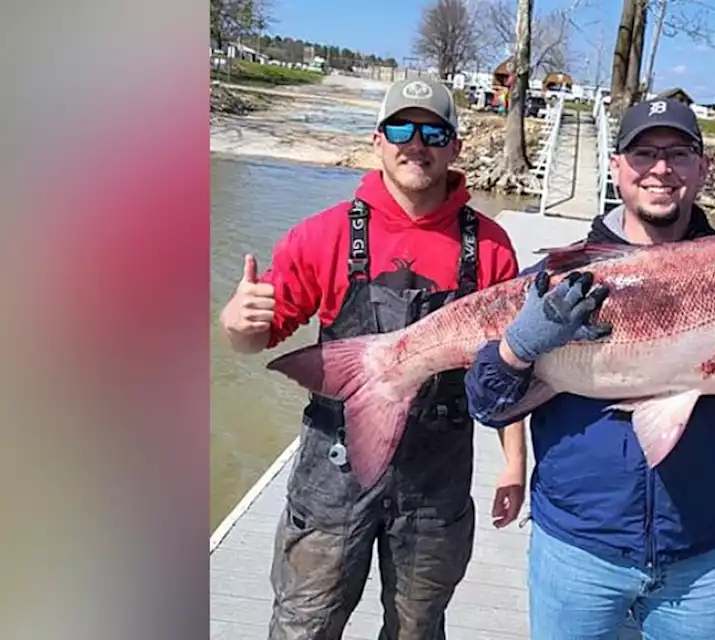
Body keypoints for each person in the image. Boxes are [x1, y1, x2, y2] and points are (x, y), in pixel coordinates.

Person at [462, 98, 715, 639]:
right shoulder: (561, 277)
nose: (660, 168)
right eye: (643, 153)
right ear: (616, 167)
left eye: (679, 153)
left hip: (699, 557)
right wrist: (520, 345)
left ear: (703, 168)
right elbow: (486, 401)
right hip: (576, 549)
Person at [217, 78, 527, 640]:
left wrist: (514, 461)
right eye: (402, 129)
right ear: (378, 141)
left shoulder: (493, 248)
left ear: (455, 146)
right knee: (304, 625)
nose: (417, 143)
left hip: (436, 484)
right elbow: (254, 339)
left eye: (433, 131)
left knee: (418, 627)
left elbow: (510, 365)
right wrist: (235, 324)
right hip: (331, 474)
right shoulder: (321, 235)